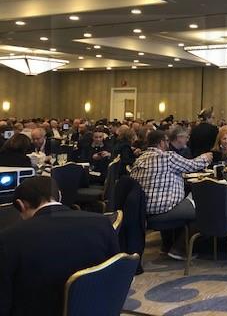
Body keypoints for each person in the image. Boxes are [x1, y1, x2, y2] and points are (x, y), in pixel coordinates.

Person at [0, 176, 119, 316]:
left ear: (21, 205)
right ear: (59, 195)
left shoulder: (9, 238)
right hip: (97, 308)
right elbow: (116, 273)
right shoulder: (102, 223)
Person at [129, 130, 213, 259]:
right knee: (204, 209)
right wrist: (205, 157)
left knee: (179, 200)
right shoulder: (167, 157)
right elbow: (194, 165)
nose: (168, 144)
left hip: (143, 210)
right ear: (161, 142)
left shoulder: (139, 159)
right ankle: (180, 249)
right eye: (167, 141)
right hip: (163, 208)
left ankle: (167, 245)